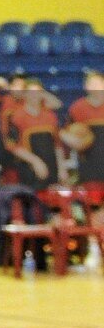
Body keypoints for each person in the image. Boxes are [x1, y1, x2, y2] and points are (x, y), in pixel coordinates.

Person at [62, 70, 104, 267]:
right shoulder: (78, 108)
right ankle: (94, 249)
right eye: (92, 84)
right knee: (93, 210)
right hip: (91, 166)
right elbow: (67, 135)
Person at [7, 78, 64, 204]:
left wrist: (62, 169)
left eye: (37, 92)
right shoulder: (17, 116)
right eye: (30, 92)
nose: (34, 96)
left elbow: (57, 145)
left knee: (54, 209)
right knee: (34, 210)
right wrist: (36, 162)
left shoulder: (50, 116)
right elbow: (12, 145)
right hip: (29, 173)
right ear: (25, 95)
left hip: (52, 172)